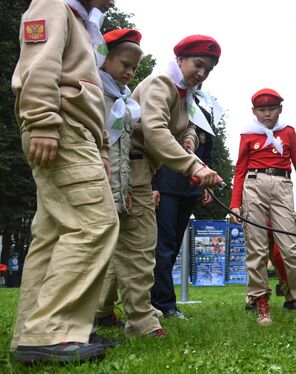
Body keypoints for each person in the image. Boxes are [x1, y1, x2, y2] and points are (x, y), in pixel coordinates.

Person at [10, 0, 119, 364]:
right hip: (62, 127)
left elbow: (89, 94)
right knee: (94, 224)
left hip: (75, 130)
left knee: (53, 234)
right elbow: (38, 64)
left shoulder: (80, 19)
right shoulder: (53, 3)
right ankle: (52, 331)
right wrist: (41, 120)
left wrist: (102, 149)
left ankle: (34, 330)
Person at [122, 35, 222, 332]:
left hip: (141, 166)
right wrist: (195, 165)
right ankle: (146, 317)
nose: (202, 73)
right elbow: (154, 131)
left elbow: (186, 126)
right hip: (134, 166)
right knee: (142, 246)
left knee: (121, 244)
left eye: (208, 70)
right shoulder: (161, 83)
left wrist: (189, 140)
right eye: (198, 64)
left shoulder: (183, 95)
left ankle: (103, 312)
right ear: (180, 59)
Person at [93, 28, 165, 339]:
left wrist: (128, 191)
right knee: (97, 252)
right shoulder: (94, 91)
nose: (130, 72)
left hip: (123, 186)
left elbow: (125, 149)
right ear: (104, 59)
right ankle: (87, 316)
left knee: (136, 250)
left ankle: (140, 320)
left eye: (135, 68)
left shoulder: (124, 98)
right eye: (125, 64)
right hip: (96, 186)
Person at [230, 88, 296, 326]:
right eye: (262, 110)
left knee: (289, 247)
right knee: (256, 248)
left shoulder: (287, 132)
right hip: (253, 184)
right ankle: (261, 305)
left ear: (280, 109)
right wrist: (235, 204)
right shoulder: (247, 134)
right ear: (254, 111)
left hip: (281, 185)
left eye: (271, 109)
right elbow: (239, 170)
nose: (267, 114)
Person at [150, 103, 215, 320]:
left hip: (189, 188)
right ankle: (164, 304)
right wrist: (154, 185)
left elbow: (206, 151)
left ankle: (159, 299)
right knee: (164, 246)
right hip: (166, 186)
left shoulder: (203, 114)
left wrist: (206, 184)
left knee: (174, 245)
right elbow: (154, 145)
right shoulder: (170, 106)